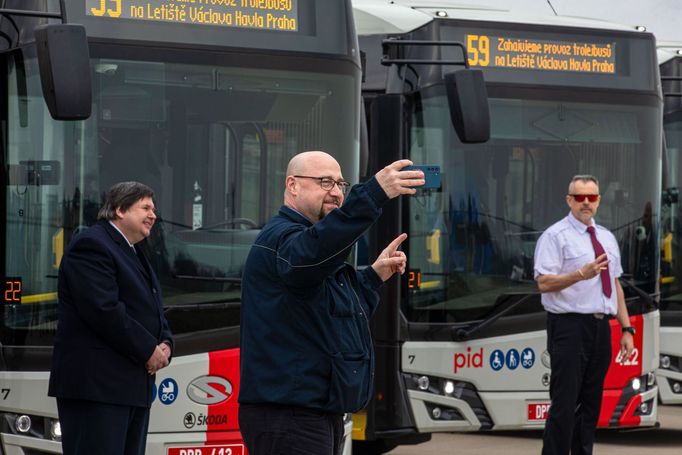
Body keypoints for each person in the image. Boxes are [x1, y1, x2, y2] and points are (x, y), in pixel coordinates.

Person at [238, 151, 425, 454]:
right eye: (325, 182)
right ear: (293, 185)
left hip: (312, 412)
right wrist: (373, 194)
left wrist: (373, 277)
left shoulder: (308, 245)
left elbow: (332, 312)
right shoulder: (283, 239)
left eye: (340, 184)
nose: (336, 192)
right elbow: (314, 252)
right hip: (290, 415)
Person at [48, 181, 174, 455]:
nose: (153, 215)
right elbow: (104, 310)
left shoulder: (134, 250)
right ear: (119, 209)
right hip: (98, 389)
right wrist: (147, 349)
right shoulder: (92, 245)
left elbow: (151, 305)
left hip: (130, 388)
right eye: (145, 207)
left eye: (153, 208)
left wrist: (165, 342)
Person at [534, 175, 635, 455]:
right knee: (565, 404)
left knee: (590, 404)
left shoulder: (606, 237)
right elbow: (543, 282)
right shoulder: (555, 236)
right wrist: (580, 274)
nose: (586, 203)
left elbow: (615, 285)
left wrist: (627, 329)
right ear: (569, 200)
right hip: (568, 326)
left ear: (599, 200)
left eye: (591, 197)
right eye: (579, 197)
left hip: (600, 328)